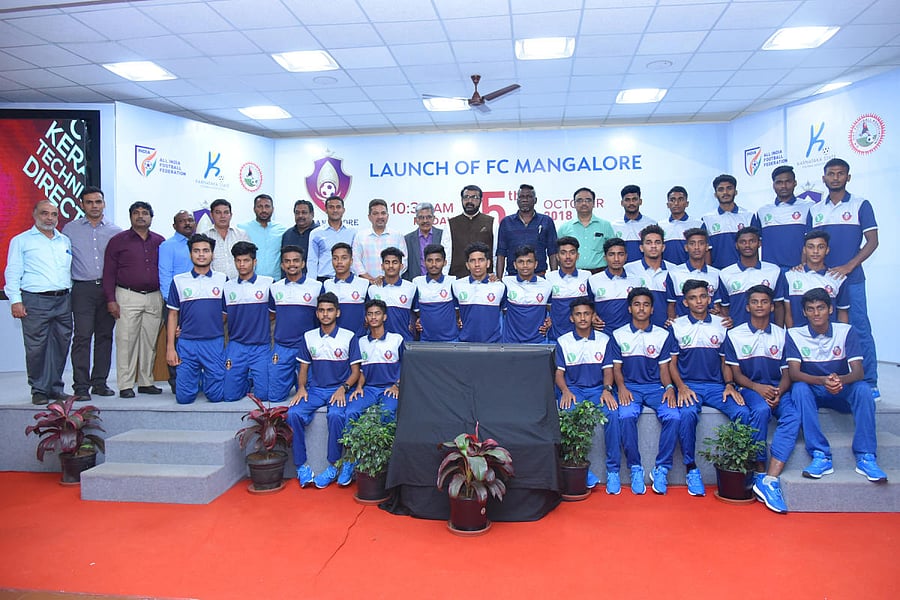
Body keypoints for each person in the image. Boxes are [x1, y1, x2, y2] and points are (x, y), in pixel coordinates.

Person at [786, 288, 886, 483]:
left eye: (821, 308)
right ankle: (820, 455)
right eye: (811, 309)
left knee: (863, 389)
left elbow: (858, 372)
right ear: (804, 312)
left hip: (841, 388)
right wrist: (823, 381)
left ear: (830, 309)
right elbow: (794, 374)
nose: (816, 313)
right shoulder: (794, 334)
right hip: (815, 389)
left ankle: (866, 456)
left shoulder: (846, 331)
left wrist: (840, 380)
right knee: (799, 389)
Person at [668, 279, 750, 497]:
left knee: (742, 412)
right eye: (693, 298)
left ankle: (735, 464)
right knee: (687, 414)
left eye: (703, 296)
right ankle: (691, 468)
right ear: (685, 302)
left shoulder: (722, 324)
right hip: (689, 386)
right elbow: (671, 364)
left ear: (709, 298)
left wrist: (729, 385)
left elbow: (725, 362)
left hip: (716, 386)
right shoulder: (676, 326)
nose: (699, 301)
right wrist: (681, 387)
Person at [723, 285, 798, 513]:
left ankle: (771, 478)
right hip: (750, 388)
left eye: (764, 302)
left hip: (778, 389)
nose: (759, 306)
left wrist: (778, 392)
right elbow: (736, 374)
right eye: (754, 302)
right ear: (747, 307)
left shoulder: (783, 335)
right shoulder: (735, 335)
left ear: (772, 306)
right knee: (761, 411)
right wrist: (758, 388)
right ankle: (759, 469)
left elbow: (788, 373)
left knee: (793, 416)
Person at [809, 158, 879, 397]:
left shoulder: (860, 205)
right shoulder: (815, 209)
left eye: (840, 174)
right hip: (822, 281)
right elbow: (808, 244)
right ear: (824, 178)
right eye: (831, 173)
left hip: (852, 279)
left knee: (859, 329)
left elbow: (873, 241)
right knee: (825, 330)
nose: (835, 177)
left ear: (848, 177)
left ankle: (870, 381)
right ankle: (831, 379)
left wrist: (849, 266)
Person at [287, 292, 362, 489]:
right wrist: (301, 388)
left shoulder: (349, 336)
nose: (325, 314)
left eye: (329, 310)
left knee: (336, 416)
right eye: (321, 310)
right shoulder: (309, 337)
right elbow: (303, 369)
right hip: (316, 390)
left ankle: (333, 466)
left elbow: (356, 372)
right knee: (293, 413)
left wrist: (343, 388)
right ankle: (301, 467)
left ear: (337, 312)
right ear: (317, 313)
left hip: (339, 390)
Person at [610, 288, 680, 495]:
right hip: (630, 388)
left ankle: (662, 468)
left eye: (646, 305)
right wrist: (621, 387)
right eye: (637, 304)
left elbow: (664, 368)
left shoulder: (662, 335)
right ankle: (635, 467)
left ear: (652, 309)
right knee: (626, 416)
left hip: (655, 388)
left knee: (674, 416)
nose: (641, 309)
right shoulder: (618, 334)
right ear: (630, 309)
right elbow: (616, 369)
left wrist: (669, 388)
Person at [4, 200, 73, 405]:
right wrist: (15, 301)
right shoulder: (21, 241)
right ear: (35, 215)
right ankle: (39, 389)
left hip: (63, 299)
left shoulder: (64, 241)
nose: (49, 218)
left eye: (53, 214)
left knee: (61, 345)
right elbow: (13, 272)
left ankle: (55, 387)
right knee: (36, 347)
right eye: (44, 213)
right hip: (35, 300)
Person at [554, 298, 622, 493]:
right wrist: (565, 391)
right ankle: (578, 467)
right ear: (571, 318)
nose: (582, 318)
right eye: (578, 314)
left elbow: (608, 370)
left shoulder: (604, 339)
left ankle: (613, 471)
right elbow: (559, 373)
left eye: (586, 314)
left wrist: (607, 390)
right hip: (574, 390)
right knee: (567, 415)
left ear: (593, 316)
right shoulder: (563, 341)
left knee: (612, 413)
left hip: (597, 390)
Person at [62, 186, 122, 400]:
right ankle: (81, 386)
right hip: (82, 289)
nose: (94, 206)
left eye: (98, 202)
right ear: (82, 204)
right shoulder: (70, 229)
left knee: (104, 336)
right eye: (89, 202)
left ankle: (99, 383)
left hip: (107, 288)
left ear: (104, 203)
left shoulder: (116, 231)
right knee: (82, 336)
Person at [103, 201, 165, 398]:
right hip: (127, 295)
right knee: (126, 341)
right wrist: (111, 299)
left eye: (145, 213)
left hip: (154, 296)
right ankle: (126, 384)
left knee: (150, 342)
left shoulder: (159, 241)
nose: (140, 216)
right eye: (136, 213)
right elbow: (108, 273)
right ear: (130, 217)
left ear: (151, 217)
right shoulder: (118, 241)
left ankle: (146, 382)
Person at [165, 233, 227, 404]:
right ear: (190, 254)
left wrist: (207, 325)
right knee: (184, 398)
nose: (201, 254)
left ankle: (207, 379)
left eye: (206, 250)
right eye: (196, 251)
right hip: (187, 343)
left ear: (212, 254)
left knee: (216, 397)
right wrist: (170, 348)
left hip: (214, 343)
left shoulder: (223, 280)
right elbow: (172, 314)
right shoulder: (179, 281)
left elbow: (225, 313)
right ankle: (195, 378)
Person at [268, 246, 323, 403]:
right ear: (282, 265)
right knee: (275, 397)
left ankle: (298, 379)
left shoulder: (317, 287)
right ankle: (290, 377)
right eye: (287, 261)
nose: (292, 264)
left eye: (296, 261)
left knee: (310, 396)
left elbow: (323, 316)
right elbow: (272, 315)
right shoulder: (274, 288)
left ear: (303, 263)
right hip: (282, 347)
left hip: (307, 348)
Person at [223, 241, 273, 402]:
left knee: (263, 395)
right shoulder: (227, 287)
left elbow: (273, 314)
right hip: (236, 345)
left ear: (254, 261)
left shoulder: (268, 283)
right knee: (230, 396)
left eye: (246, 260)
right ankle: (246, 380)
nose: (242, 264)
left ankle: (253, 376)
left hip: (261, 346)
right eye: (238, 260)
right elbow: (222, 318)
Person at [158, 210, 197, 393]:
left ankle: (195, 380)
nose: (187, 223)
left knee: (194, 342)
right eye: (182, 221)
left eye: (190, 220)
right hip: (177, 304)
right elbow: (165, 275)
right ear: (175, 225)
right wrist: (172, 303)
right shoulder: (168, 246)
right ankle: (176, 382)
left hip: (197, 303)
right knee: (175, 342)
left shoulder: (199, 244)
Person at [719, 226, 785, 327]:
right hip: (737, 331)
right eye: (743, 242)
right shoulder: (725, 273)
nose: (747, 245)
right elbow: (725, 307)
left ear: (759, 243)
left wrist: (779, 330)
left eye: (752, 241)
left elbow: (779, 305)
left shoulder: (774, 270)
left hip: (767, 332)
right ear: (736, 245)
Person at [350, 299, 404, 422]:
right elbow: (362, 370)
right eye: (370, 314)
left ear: (384, 317)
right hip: (369, 390)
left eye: (377, 313)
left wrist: (397, 386)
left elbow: (407, 367)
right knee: (351, 411)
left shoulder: (396, 339)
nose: (373, 317)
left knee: (387, 412)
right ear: (366, 318)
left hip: (390, 388)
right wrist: (359, 387)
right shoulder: (361, 341)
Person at [782, 229, 849, 328]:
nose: (815, 251)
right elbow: (788, 313)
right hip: (799, 335)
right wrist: (791, 334)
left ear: (827, 250)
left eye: (820, 247)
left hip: (828, 337)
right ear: (804, 250)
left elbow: (842, 312)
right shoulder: (790, 276)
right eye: (811, 247)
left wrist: (842, 335)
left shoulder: (838, 279)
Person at [751, 166, 813, 269]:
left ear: (795, 183)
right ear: (773, 185)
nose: (783, 186)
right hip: (770, 271)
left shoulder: (809, 207)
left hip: (799, 270)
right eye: (779, 182)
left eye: (788, 181)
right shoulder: (763, 211)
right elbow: (755, 243)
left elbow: (814, 241)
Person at [496, 184, 558, 277]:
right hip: (513, 277)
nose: (525, 200)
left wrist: (555, 278)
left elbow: (553, 252)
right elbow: (501, 253)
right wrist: (499, 279)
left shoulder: (546, 221)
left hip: (539, 276)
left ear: (535, 200)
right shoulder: (506, 222)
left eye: (528, 196)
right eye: (521, 197)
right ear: (517, 200)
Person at [666, 227, 726, 319]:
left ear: (707, 247)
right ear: (686, 247)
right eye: (692, 243)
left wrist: (717, 312)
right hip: (683, 325)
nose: (697, 247)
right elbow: (671, 305)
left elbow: (718, 306)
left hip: (708, 325)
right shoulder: (674, 273)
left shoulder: (716, 274)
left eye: (701, 243)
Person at [451, 242, 505, 343]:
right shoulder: (457, 285)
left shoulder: (500, 287)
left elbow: (507, 314)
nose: (477, 264)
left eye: (481, 260)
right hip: (465, 343)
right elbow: (454, 313)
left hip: (494, 344)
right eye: (472, 261)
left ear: (488, 263)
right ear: (467, 265)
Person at [501, 245, 553, 343]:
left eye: (529, 261)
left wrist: (550, 321)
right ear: (515, 265)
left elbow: (553, 310)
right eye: (521, 262)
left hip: (538, 342)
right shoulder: (505, 283)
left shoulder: (546, 285)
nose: (525, 265)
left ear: (536, 264)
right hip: (511, 342)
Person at [556, 187, 615, 272]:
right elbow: (557, 253)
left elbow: (613, 250)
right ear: (574, 204)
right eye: (579, 200)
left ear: (594, 203)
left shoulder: (605, 225)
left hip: (600, 273)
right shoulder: (564, 228)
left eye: (588, 200)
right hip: (573, 273)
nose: (584, 203)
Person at [587, 237, 639, 333]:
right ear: (605, 257)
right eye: (611, 254)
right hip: (603, 333)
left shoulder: (636, 280)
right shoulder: (593, 280)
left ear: (626, 256)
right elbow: (588, 306)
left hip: (630, 335)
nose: (616, 259)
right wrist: (592, 316)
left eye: (620, 254)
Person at [701, 174, 754, 269]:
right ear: (715, 194)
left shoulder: (748, 216)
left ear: (736, 192)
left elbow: (755, 247)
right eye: (721, 189)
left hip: (744, 272)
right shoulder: (707, 219)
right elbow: (706, 250)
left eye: (729, 188)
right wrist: (710, 273)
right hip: (718, 272)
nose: (725, 192)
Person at [624, 224, 670, 327]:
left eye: (657, 242)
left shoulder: (674, 270)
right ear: (641, 248)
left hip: (665, 328)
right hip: (636, 329)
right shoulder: (628, 269)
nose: (653, 246)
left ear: (663, 247)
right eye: (648, 243)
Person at [546, 236, 590, 341]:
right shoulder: (549, 278)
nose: (568, 257)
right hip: (556, 336)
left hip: (582, 337)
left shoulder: (587, 276)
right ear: (557, 256)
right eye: (563, 253)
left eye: (572, 252)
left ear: (577, 255)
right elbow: (545, 305)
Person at [367, 247, 416, 342]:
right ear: (382, 266)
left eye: (395, 262)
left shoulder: (411, 288)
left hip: (404, 340)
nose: (391, 266)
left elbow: (418, 313)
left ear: (401, 266)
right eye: (387, 262)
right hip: (378, 341)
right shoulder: (373, 289)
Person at [412, 244, 459, 342]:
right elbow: (416, 311)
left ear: (444, 262)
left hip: (451, 340)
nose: (433, 264)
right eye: (429, 260)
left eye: (438, 260)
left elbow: (459, 309)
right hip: (425, 340)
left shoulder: (453, 281)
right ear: (424, 262)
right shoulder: (416, 282)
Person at [447, 184, 497, 278]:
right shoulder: (451, 223)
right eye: (466, 197)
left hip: (485, 278)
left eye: (474, 197)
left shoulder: (491, 222)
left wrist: (495, 274)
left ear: (481, 200)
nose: (469, 201)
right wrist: (446, 277)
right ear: (461, 199)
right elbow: (447, 253)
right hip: (457, 277)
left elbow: (495, 252)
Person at [352, 198, 406, 284]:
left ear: (387, 216)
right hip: (367, 284)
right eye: (375, 213)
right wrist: (372, 280)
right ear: (369, 217)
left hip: (393, 285)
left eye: (383, 213)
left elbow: (404, 261)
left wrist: (388, 279)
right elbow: (355, 262)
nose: (380, 217)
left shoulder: (397, 236)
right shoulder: (360, 236)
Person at [323, 242, 370, 336]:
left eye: (344, 258)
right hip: (333, 339)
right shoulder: (326, 284)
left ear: (351, 261)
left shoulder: (364, 284)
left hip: (358, 337)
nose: (339, 262)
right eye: (335, 258)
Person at [307, 195, 356, 282]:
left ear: (343, 210)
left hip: (347, 280)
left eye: (338, 207)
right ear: (326, 210)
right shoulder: (316, 233)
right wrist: (311, 283)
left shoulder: (353, 232)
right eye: (331, 207)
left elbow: (355, 258)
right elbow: (312, 260)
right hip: (324, 279)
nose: (335, 210)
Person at [241, 193, 287, 280]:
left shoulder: (282, 230)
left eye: (267, 206)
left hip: (276, 280)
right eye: (260, 206)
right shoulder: (242, 229)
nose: (264, 210)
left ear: (273, 209)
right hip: (251, 280)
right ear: (254, 209)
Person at [403, 202, 451, 281]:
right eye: (421, 217)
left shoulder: (444, 236)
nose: (425, 220)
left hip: (440, 283)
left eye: (428, 217)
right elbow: (405, 266)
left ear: (434, 218)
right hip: (415, 283)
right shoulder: (407, 239)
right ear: (416, 220)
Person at [205, 198, 249, 280]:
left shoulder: (241, 235)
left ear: (231, 215)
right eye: (218, 212)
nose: (222, 216)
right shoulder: (205, 236)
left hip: (239, 283)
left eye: (226, 212)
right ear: (211, 215)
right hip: (213, 283)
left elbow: (249, 259)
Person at [612, 184, 656, 262]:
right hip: (622, 268)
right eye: (627, 200)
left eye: (634, 199)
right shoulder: (614, 226)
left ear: (640, 201)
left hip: (645, 268)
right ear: (622, 203)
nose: (631, 203)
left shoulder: (651, 224)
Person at [660, 186, 703, 265]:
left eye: (680, 199)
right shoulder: (660, 225)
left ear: (687, 203)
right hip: (666, 270)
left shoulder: (698, 224)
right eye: (672, 200)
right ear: (668, 204)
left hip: (691, 270)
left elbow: (705, 251)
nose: (676, 203)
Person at [280, 199, 315, 278]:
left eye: (304, 212)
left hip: (313, 280)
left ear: (312, 214)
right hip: (290, 280)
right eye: (297, 213)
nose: (300, 216)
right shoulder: (287, 234)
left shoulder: (319, 234)